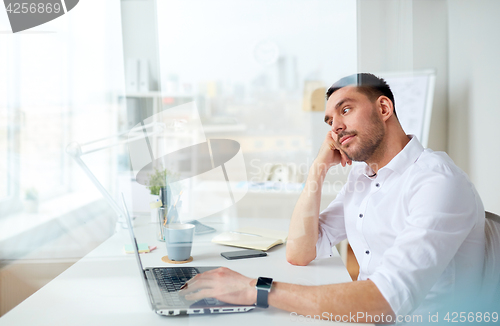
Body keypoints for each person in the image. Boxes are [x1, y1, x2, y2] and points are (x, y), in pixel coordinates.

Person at [180, 73, 486, 324]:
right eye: (329, 120)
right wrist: (318, 168)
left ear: (383, 109)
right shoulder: (365, 176)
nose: (335, 127)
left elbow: (385, 302)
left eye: (346, 109)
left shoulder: (435, 182)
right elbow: (301, 251)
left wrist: (255, 289)